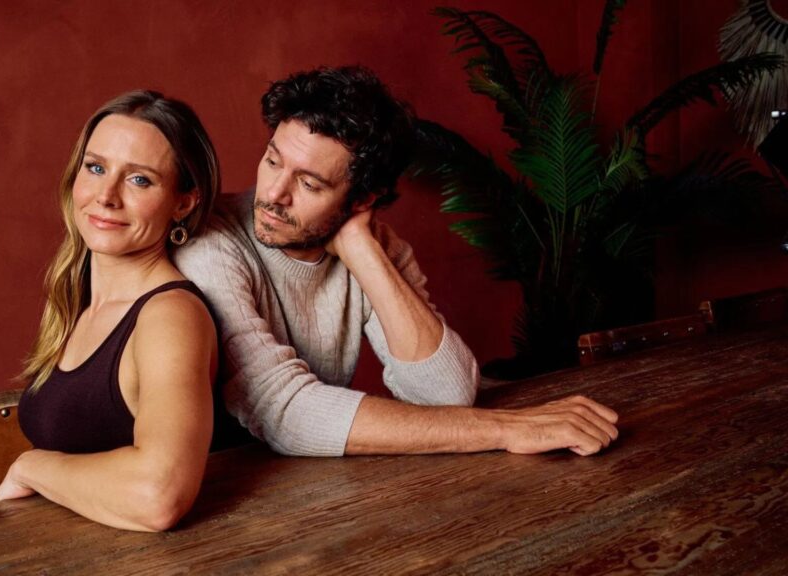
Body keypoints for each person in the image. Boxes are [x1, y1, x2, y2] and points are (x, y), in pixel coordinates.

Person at [174, 66, 619, 458]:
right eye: (272, 160)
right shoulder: (210, 240)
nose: (273, 193)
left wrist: (361, 250)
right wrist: (504, 429)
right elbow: (283, 412)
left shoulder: (376, 248)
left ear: (362, 200)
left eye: (309, 185)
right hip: (219, 494)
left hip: (316, 490)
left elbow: (447, 393)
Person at [0, 90, 221, 532]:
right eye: (96, 168)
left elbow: (159, 495)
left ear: (184, 202)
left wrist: (31, 467)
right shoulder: (75, 298)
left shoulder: (170, 317)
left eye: (139, 180)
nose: (106, 196)